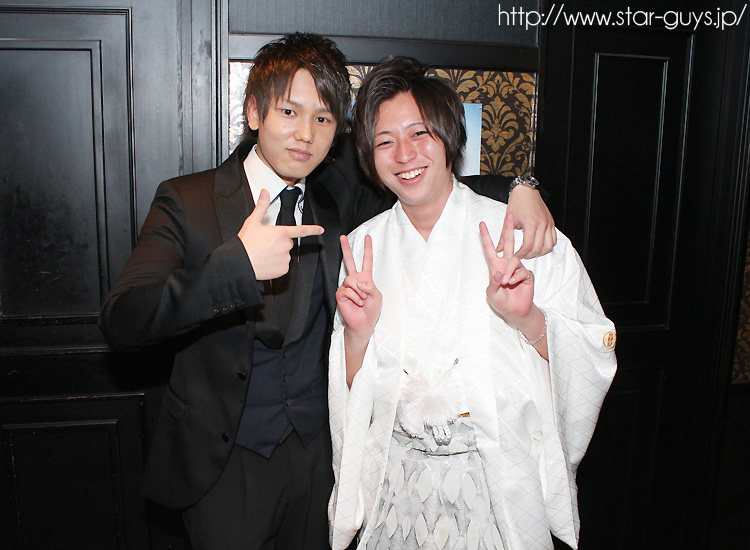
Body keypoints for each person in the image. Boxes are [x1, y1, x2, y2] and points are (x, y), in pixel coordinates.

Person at [99, 34, 555, 550]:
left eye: (323, 118)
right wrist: (235, 266)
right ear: (253, 111)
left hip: (319, 459)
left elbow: (426, 183)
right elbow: (123, 319)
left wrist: (523, 187)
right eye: (289, 112)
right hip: (222, 464)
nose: (306, 134)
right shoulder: (188, 199)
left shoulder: (337, 195)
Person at [328, 57, 617, 550]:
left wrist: (527, 318)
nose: (404, 154)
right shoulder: (362, 249)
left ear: (448, 136)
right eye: (384, 141)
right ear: (369, 158)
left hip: (496, 487)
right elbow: (352, 394)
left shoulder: (520, 235)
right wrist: (357, 336)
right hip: (398, 489)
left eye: (420, 133)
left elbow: (593, 353)